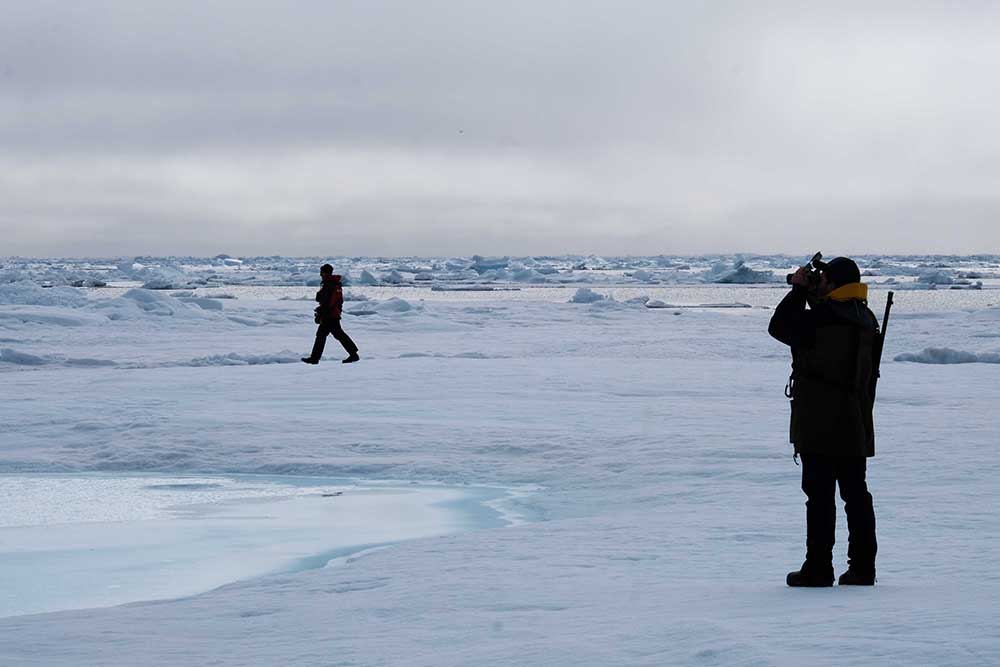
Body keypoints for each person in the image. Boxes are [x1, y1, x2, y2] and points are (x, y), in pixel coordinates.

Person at [768, 256, 879, 587]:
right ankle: (862, 568)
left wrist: (799, 291)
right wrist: (814, 296)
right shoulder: (864, 316)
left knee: (819, 496)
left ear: (834, 283)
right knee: (856, 494)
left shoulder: (822, 318)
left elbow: (780, 327)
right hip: (855, 420)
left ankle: (818, 568)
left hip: (820, 419)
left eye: (824, 278)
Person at [301, 264, 360, 365]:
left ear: (324, 272)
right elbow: (338, 301)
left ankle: (315, 358)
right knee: (335, 335)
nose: (320, 275)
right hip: (333, 314)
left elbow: (327, 302)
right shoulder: (336, 284)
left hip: (329, 315)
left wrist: (321, 314)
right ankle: (353, 354)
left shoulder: (329, 285)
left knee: (324, 335)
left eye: (321, 272)